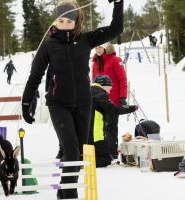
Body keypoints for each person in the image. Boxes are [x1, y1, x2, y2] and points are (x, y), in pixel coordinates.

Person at [21, 0, 124, 199]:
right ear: (56, 20)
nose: (65, 24)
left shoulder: (85, 40)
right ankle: (69, 194)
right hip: (58, 104)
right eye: (61, 20)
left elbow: (116, 28)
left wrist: (118, 3)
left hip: (84, 104)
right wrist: (27, 102)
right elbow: (35, 75)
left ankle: (65, 190)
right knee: (70, 148)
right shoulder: (49, 44)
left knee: (78, 152)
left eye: (69, 21)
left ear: (76, 21)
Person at [89, 75, 137, 167]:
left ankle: (81, 158)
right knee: (105, 160)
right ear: (104, 85)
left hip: (83, 134)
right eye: (109, 88)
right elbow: (114, 110)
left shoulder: (87, 91)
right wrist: (131, 108)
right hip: (95, 135)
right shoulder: (101, 94)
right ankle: (85, 163)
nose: (110, 91)